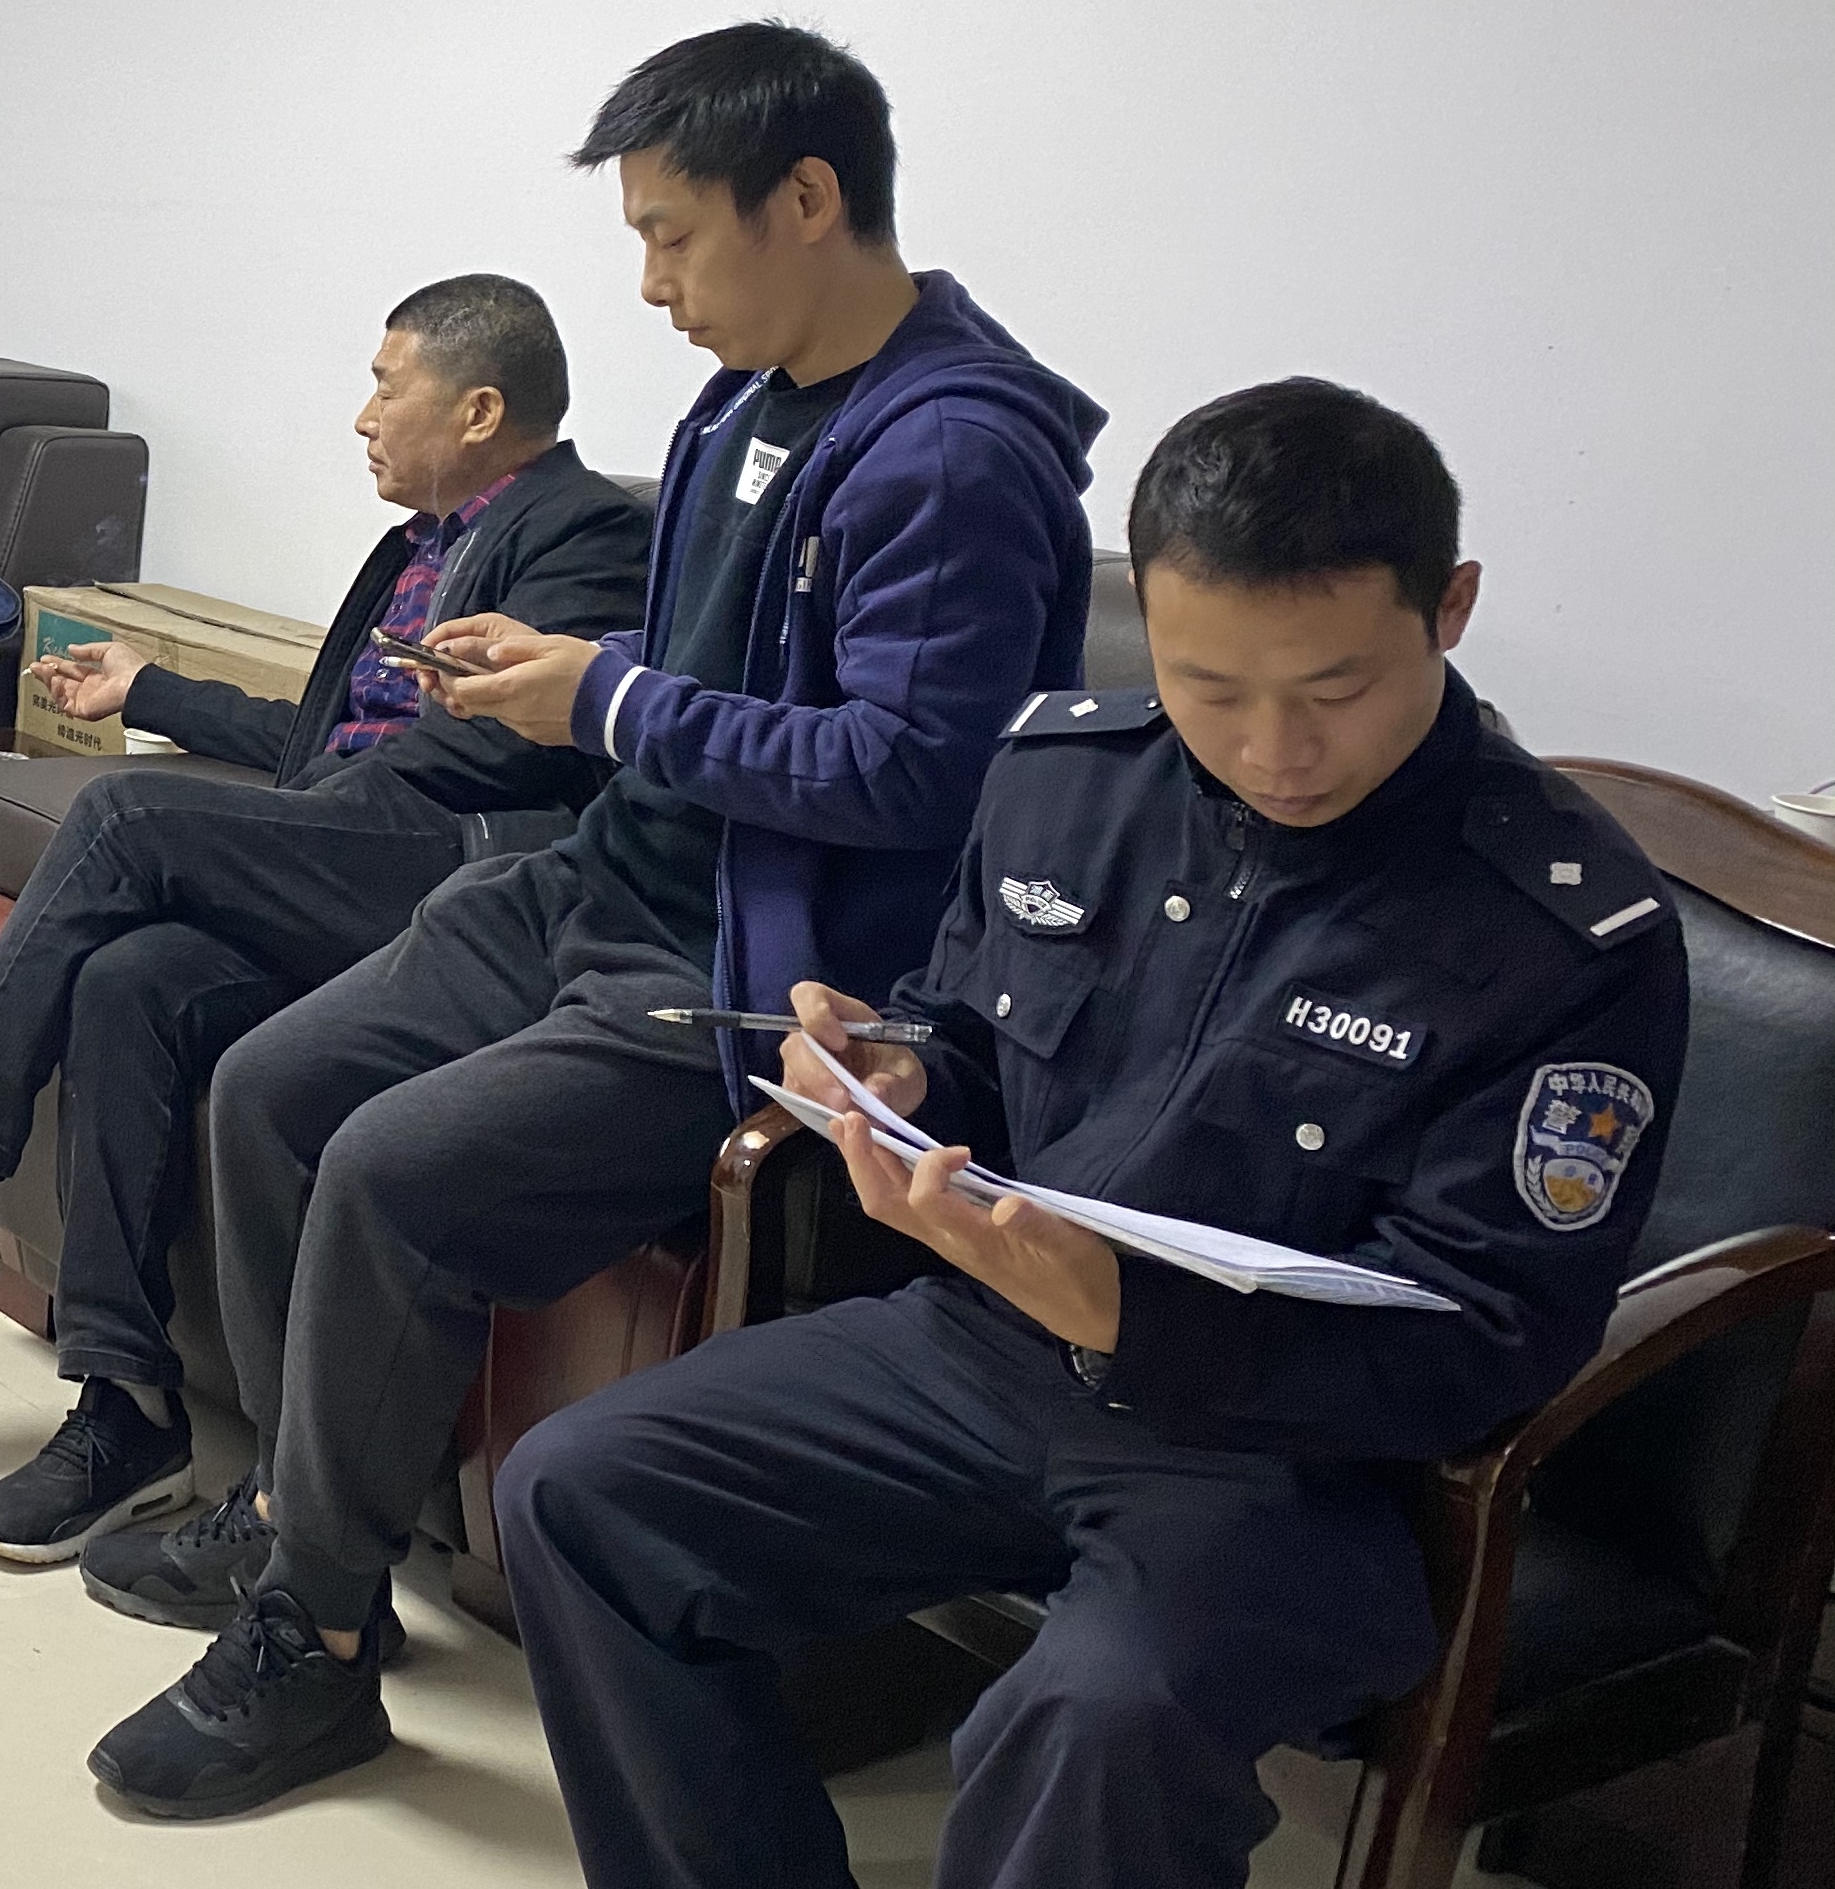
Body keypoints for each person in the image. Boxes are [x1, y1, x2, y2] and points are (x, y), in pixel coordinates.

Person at [81, 22, 1108, 1819]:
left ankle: (313, 1642)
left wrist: (611, 702)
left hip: (761, 971)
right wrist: (577, 666)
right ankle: (301, 1511)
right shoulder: (742, 403)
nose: (649, 286)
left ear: (808, 197)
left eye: (671, 236)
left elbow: (911, 772)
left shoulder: (955, 453)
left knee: (388, 1168)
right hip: (603, 878)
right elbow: (724, 670)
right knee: (268, 1085)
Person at [497, 380, 1687, 1889]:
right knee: (581, 1491)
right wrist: (900, 1072)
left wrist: (1136, 1319)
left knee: (1097, 1716)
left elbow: (1493, 1335)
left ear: (1447, 610)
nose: (1275, 749)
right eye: (1208, 687)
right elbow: (970, 1039)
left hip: (1290, 1459)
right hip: (986, 1351)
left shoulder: (1560, 931)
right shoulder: (1068, 778)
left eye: (1334, 689)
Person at [0, 275, 654, 1564]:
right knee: (131, 982)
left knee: (126, 818)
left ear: (480, 409)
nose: (363, 417)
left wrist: (308, 805)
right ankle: (126, 1406)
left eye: (387, 387)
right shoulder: (414, 548)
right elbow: (319, 741)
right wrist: (152, 689)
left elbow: (519, 753)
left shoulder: (588, 531)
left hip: (459, 875)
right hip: (358, 845)